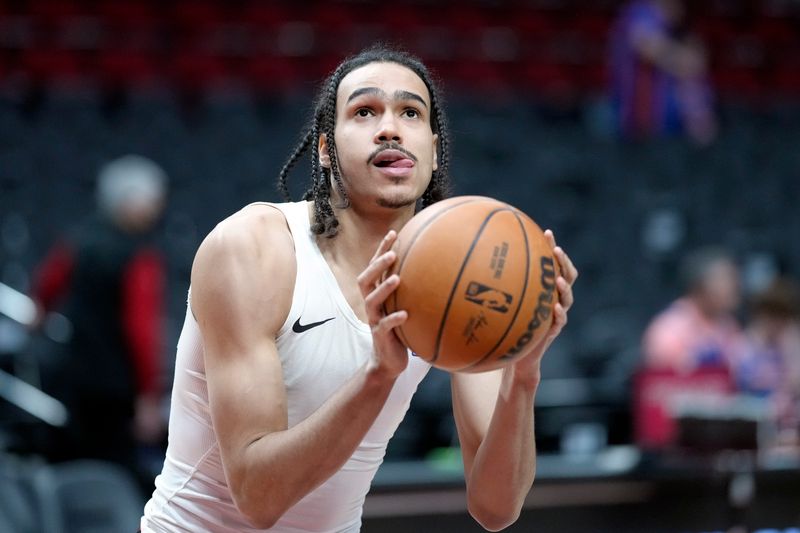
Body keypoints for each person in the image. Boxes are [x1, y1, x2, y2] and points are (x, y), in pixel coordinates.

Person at [140, 45, 578, 532]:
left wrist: (522, 375)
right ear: (325, 148)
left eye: (410, 112)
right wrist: (378, 375)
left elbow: (495, 509)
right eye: (365, 111)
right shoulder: (254, 248)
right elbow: (258, 498)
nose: (390, 128)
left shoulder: (457, 271)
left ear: (433, 151)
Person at [30, 154, 168, 487]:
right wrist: (148, 395)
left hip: (72, 376)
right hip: (116, 388)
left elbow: (44, 292)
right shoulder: (140, 256)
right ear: (130, 203)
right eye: (150, 200)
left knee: (71, 467)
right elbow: (141, 331)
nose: (156, 208)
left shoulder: (78, 242)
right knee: (113, 475)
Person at [609, 0, 717, 145]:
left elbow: (693, 68)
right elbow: (646, 47)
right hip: (634, 124)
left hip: (669, 130)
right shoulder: (642, 11)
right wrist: (684, 58)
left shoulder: (675, 28)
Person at [642, 247, 743, 374]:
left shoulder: (728, 324)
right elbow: (662, 382)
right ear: (699, 286)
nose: (734, 286)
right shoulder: (670, 328)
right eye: (725, 279)